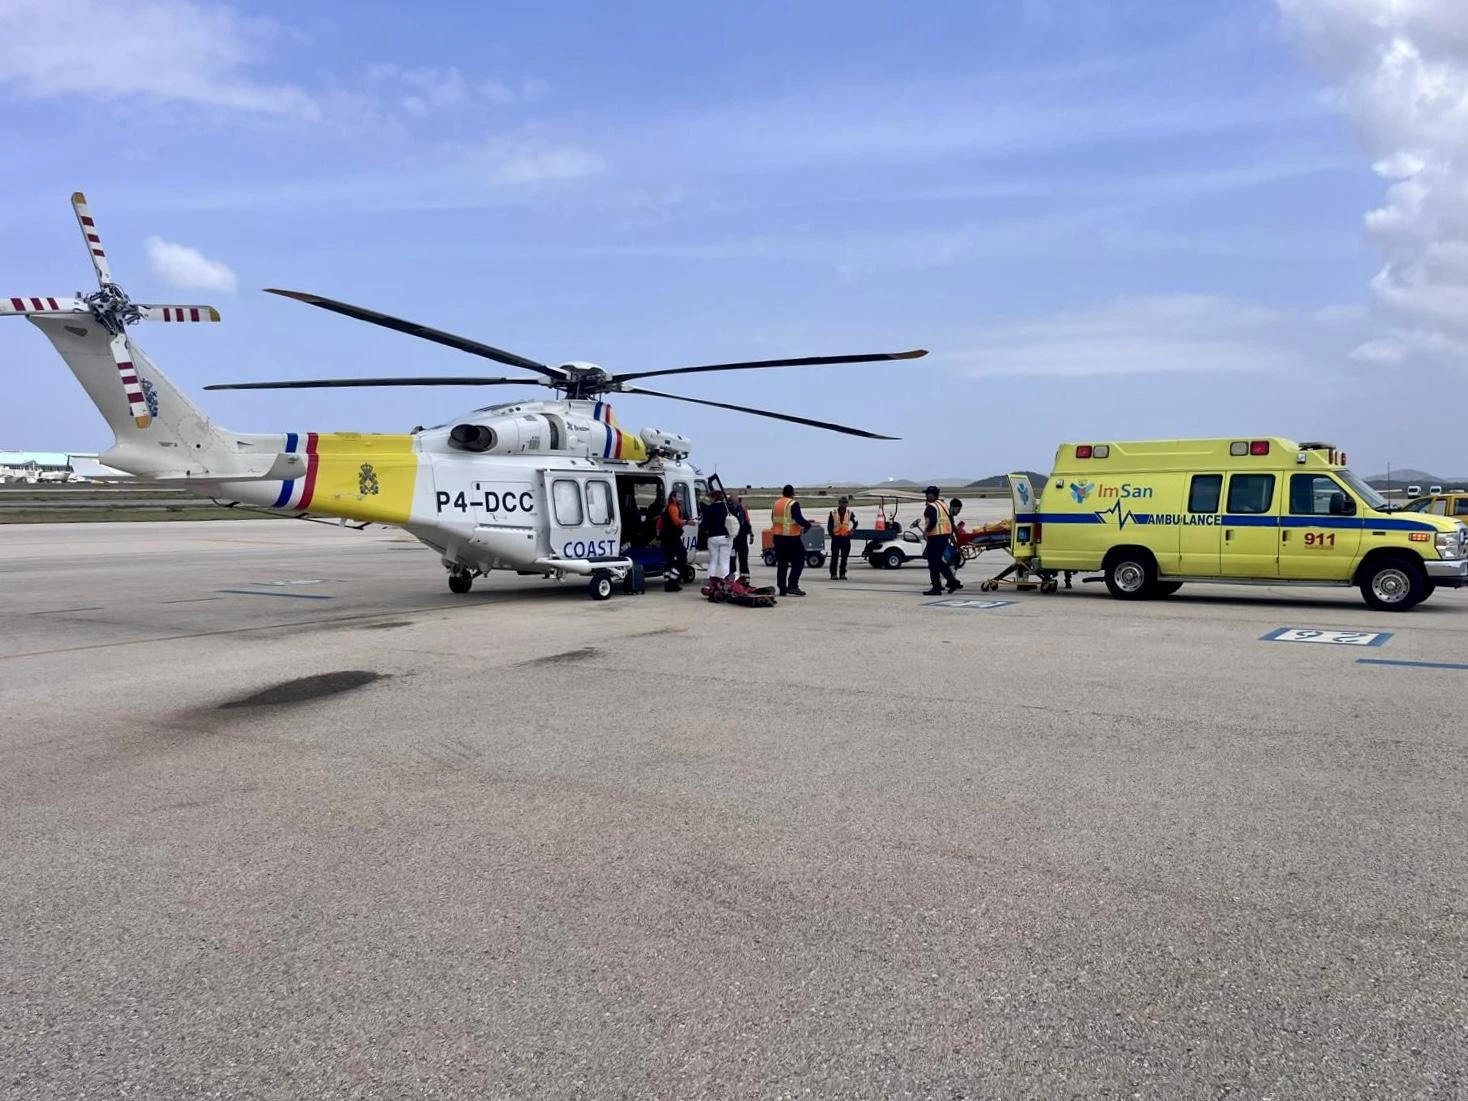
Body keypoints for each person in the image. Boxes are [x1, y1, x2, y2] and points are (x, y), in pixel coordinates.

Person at [770, 483, 812, 597]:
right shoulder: (793, 504)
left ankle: (782, 588)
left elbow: (773, 518)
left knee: (782, 564)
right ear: (792, 493)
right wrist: (808, 525)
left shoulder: (777, 504)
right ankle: (793, 586)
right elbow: (798, 519)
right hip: (791, 538)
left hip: (778, 538)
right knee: (799, 561)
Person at [921, 484, 962, 596]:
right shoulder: (943, 504)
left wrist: (927, 532)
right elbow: (949, 520)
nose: (925, 496)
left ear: (932, 495)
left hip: (935, 537)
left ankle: (936, 587)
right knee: (939, 561)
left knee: (933, 563)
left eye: (927, 494)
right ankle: (952, 581)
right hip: (944, 537)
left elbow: (933, 521)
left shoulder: (931, 507)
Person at [658, 485, 692, 591]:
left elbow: (659, 524)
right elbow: (676, 522)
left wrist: (659, 537)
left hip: (666, 538)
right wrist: (687, 522)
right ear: (673, 498)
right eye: (679, 496)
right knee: (681, 556)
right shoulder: (673, 508)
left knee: (670, 560)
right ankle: (673, 582)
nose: (681, 498)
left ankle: (669, 581)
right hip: (672, 537)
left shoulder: (666, 508)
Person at [700, 487, 733, 583]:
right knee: (725, 561)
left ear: (713, 498)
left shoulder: (709, 509)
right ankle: (725, 582)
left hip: (713, 538)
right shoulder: (727, 508)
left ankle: (710, 582)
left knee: (713, 561)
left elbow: (704, 526)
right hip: (726, 537)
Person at [826, 496, 856, 580]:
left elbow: (855, 522)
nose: (844, 504)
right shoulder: (833, 513)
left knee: (844, 557)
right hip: (836, 538)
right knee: (835, 557)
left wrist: (852, 530)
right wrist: (833, 536)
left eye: (845, 502)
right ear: (839, 503)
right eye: (843, 502)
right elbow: (829, 526)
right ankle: (833, 574)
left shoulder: (850, 513)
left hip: (846, 538)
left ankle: (842, 573)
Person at [728, 492, 753, 579]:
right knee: (732, 561)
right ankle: (732, 579)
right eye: (735, 499)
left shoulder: (742, 509)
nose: (737, 501)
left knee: (743, 561)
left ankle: (745, 579)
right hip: (732, 541)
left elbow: (747, 522)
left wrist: (751, 534)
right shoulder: (728, 510)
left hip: (742, 539)